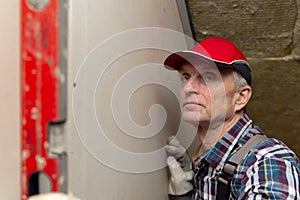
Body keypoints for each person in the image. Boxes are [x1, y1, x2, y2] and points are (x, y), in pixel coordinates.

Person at [164, 37, 300, 199]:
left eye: (208, 77)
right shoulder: (207, 165)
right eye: (186, 77)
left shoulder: (267, 161)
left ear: (240, 97)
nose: (188, 88)